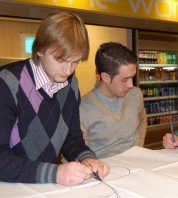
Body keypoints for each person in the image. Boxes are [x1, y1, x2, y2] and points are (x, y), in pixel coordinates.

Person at [0, 11, 110, 186]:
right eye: (61, 60)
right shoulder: (6, 83)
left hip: (44, 186)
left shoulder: (71, 85)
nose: (68, 70)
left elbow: (71, 138)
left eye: (75, 62)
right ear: (41, 49)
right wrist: (55, 173)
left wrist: (86, 158)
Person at [80, 42, 147, 159]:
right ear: (105, 77)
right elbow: (75, 154)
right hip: (104, 174)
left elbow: (142, 120)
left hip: (136, 170)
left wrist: (139, 148)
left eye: (133, 77)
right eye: (125, 79)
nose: (131, 85)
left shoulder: (136, 95)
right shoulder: (82, 109)